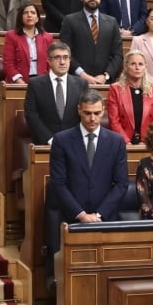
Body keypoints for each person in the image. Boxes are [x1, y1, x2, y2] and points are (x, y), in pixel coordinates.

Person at [49, 90, 129, 225]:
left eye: (97, 113)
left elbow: (121, 183)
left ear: (103, 111)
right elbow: (58, 183)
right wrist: (81, 215)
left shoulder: (116, 141)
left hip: (106, 218)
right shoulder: (62, 140)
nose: (92, 118)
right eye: (87, 113)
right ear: (79, 110)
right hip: (71, 218)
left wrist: (99, 214)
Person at [24, 41, 88, 145]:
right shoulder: (35, 84)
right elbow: (31, 115)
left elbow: (85, 113)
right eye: (57, 57)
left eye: (66, 57)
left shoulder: (82, 84)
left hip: (74, 142)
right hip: (45, 144)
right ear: (49, 60)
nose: (62, 62)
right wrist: (49, 139)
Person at [60, 0, 122, 85]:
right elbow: (66, 53)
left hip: (104, 82)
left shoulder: (112, 22)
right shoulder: (70, 21)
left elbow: (117, 55)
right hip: (77, 81)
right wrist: (83, 75)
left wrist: (105, 75)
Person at [106, 50, 153, 145]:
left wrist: (145, 141)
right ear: (125, 66)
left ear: (145, 67)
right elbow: (114, 121)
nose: (137, 68)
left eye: (141, 64)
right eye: (133, 64)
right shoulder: (115, 89)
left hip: (148, 142)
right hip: (122, 142)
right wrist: (126, 142)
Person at [1, 4, 52, 83]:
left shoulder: (47, 37)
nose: (29, 15)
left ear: (37, 18)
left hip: (42, 80)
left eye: (32, 13)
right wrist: (19, 81)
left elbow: (51, 62)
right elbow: (8, 63)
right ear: (21, 18)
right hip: (19, 79)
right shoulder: (11, 36)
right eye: (25, 13)